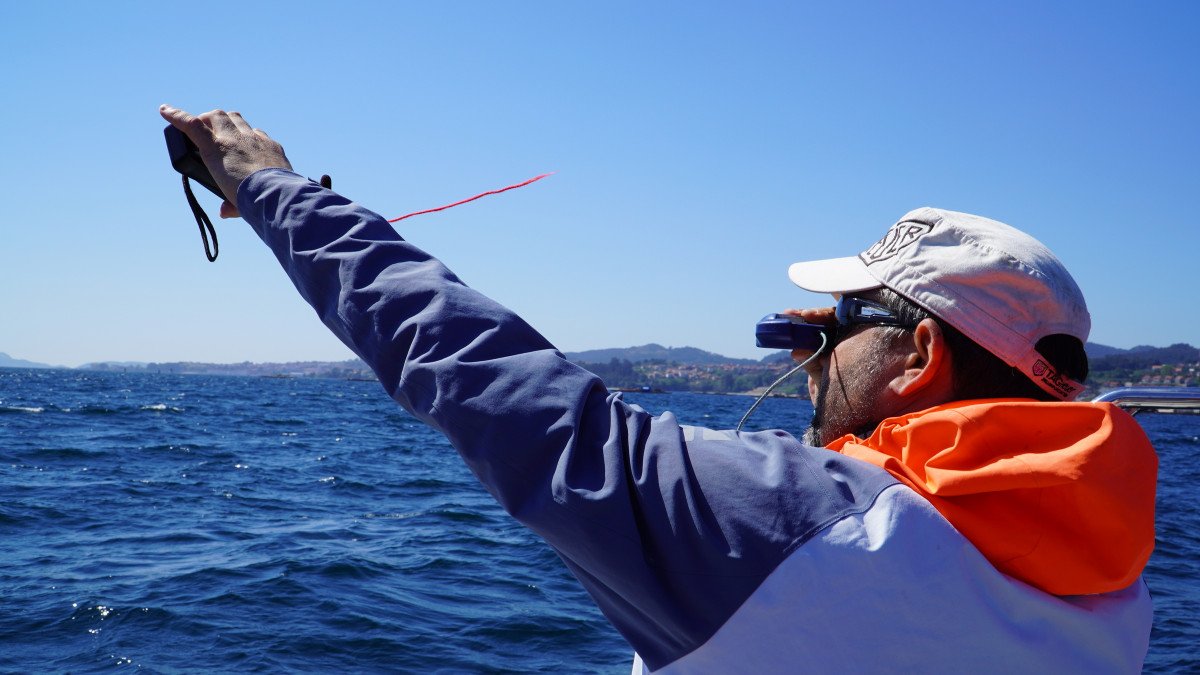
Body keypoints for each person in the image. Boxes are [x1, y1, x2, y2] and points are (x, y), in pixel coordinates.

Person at [160, 105, 1158, 673]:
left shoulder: (809, 535)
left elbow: (481, 372)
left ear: (919, 359)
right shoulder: (1111, 594)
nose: (809, 352)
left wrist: (272, 188)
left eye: (836, 327)